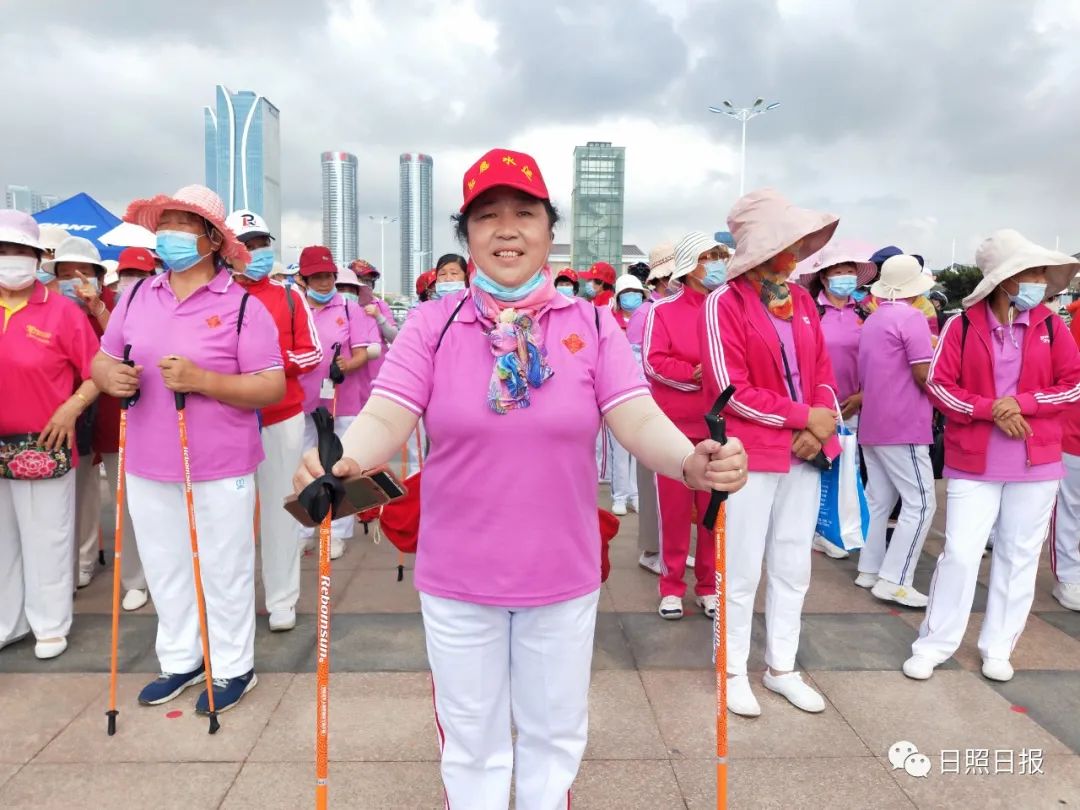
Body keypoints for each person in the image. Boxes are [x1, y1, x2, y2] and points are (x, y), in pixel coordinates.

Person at [293, 148, 748, 808]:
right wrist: (345, 459)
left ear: (547, 229)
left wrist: (690, 462)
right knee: (472, 741)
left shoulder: (591, 323)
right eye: (487, 217)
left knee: (553, 734)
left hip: (560, 572)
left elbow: (634, 415)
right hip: (457, 573)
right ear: (468, 236)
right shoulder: (432, 323)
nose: (506, 229)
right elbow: (388, 411)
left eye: (523, 214)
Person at [92, 185, 285, 713]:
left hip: (220, 463)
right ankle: (181, 659)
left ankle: (232, 667)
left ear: (212, 240)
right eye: (166, 223)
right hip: (149, 460)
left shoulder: (244, 306)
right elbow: (101, 361)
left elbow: (271, 387)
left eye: (184, 223)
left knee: (225, 568)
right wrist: (112, 377)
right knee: (165, 564)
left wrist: (204, 379)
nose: (171, 233)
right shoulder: (135, 296)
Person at [904, 229, 1080, 683]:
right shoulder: (960, 325)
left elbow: (1073, 384)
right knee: (960, 553)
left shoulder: (1051, 324)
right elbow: (941, 386)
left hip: (1037, 461)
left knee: (1020, 556)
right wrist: (989, 410)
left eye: (1043, 272)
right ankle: (935, 642)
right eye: (1033, 272)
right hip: (974, 461)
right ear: (1006, 279)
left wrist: (1024, 403)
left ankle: (998, 646)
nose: (1042, 280)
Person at [700, 188, 842, 716]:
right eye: (790, 242)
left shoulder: (802, 301)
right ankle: (731, 669)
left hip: (804, 456)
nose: (798, 253)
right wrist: (804, 420)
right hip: (750, 456)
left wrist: (820, 427)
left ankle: (781, 665)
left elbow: (823, 376)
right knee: (739, 570)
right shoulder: (724, 302)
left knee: (791, 565)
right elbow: (727, 389)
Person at [0, 210, 100, 659]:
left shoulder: (63, 311)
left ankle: (50, 624)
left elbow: (97, 371)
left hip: (43, 443)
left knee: (48, 536)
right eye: (3, 251)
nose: (11, 260)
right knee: (3, 541)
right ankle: (9, 621)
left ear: (38, 258)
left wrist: (71, 408)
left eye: (20, 251)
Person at [226, 209, 323, 633]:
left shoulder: (288, 295)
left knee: (283, 508)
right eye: (246, 245)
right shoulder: (218, 295)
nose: (256, 251)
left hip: (281, 416)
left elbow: (312, 352)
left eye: (262, 243)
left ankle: (282, 598)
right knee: (230, 514)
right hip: (228, 418)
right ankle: (233, 599)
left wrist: (268, 365)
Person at [644, 231, 729, 619]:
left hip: (718, 426)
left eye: (719, 255)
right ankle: (671, 586)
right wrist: (694, 374)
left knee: (713, 512)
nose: (716, 263)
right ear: (689, 265)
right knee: (674, 512)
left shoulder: (729, 309)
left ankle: (709, 586)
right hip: (675, 429)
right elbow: (653, 361)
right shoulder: (663, 311)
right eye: (708, 256)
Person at [856, 255, 938, 606]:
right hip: (903, 423)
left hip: (873, 421)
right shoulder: (913, 318)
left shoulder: (874, 319)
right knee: (921, 504)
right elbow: (923, 375)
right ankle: (895, 578)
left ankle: (869, 569)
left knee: (879, 499)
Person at [297, 246, 382, 558]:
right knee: (304, 464)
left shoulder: (349, 310)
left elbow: (362, 352)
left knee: (340, 465)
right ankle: (306, 526)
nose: (323, 283)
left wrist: (346, 365)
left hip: (341, 401)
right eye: (316, 277)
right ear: (303, 279)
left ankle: (337, 531)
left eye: (328, 276)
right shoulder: (295, 308)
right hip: (302, 402)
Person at [41, 236, 113, 590]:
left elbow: (124, 344)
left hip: (102, 411)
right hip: (54, 410)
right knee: (63, 491)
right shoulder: (46, 308)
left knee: (86, 489)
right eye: (66, 273)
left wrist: (98, 307)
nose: (75, 280)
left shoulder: (109, 306)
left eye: (83, 272)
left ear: (98, 275)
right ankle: (62, 565)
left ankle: (84, 559)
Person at [797, 244, 877, 560]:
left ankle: (837, 527)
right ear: (824, 276)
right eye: (838, 270)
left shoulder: (865, 313)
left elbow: (878, 361)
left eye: (849, 271)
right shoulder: (810, 312)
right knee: (817, 465)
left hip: (856, 404)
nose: (845, 276)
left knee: (850, 468)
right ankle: (815, 529)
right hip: (820, 404)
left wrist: (862, 397)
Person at [105, 247, 158, 610]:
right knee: (126, 506)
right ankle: (136, 581)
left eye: (139, 274)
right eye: (127, 274)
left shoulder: (158, 305)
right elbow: (100, 360)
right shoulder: (118, 306)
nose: (132, 281)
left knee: (158, 513)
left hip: (161, 425)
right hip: (117, 421)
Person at [633, 242, 677, 575]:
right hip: (652, 407)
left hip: (681, 409)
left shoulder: (689, 306)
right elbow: (638, 364)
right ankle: (652, 548)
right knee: (653, 484)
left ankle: (672, 547)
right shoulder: (647, 312)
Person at [605, 274, 647, 515]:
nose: (632, 297)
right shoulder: (609, 321)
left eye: (636, 292)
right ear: (619, 297)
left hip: (643, 393)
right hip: (616, 392)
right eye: (627, 293)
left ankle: (635, 494)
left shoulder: (648, 318)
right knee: (620, 449)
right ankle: (619, 495)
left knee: (639, 449)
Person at [350, 259, 399, 344]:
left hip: (380, 356)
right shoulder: (345, 304)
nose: (367, 284)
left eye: (370, 281)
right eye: (363, 280)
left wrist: (378, 316)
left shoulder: (380, 305)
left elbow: (394, 338)